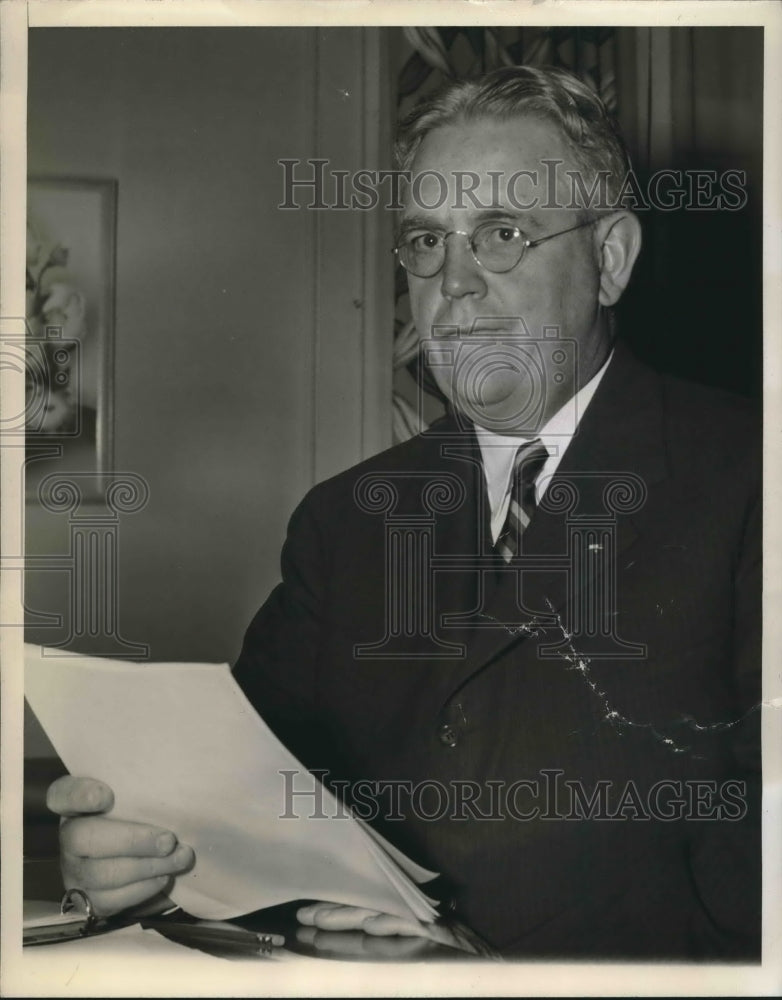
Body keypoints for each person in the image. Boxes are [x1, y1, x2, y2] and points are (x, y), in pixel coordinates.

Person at [46, 66, 761, 959]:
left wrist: (490, 970)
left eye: (500, 232)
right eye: (426, 241)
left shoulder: (749, 481)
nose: (451, 284)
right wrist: (145, 855)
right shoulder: (346, 524)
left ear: (609, 257)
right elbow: (246, 804)